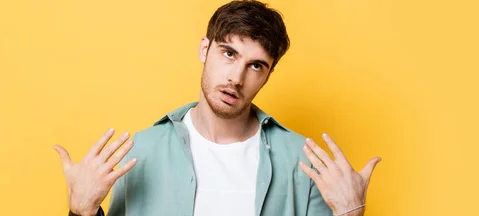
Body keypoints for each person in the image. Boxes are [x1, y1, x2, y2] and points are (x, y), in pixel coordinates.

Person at [53, 1, 381, 215]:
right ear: (204, 49)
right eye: (228, 54)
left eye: (255, 66)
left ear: (268, 75)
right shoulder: (140, 152)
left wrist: (351, 213)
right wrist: (81, 212)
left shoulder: (304, 162)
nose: (236, 78)